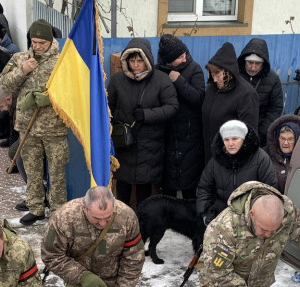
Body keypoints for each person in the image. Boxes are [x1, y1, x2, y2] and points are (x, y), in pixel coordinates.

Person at [0, 19, 69, 225]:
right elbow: (4, 84)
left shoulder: (61, 62)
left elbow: (73, 91)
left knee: (56, 172)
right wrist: (22, 70)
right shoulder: (20, 58)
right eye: (34, 42)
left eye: (42, 42)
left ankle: (57, 211)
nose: (37, 46)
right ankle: (36, 207)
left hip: (54, 127)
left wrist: (52, 99)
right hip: (27, 125)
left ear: (50, 41)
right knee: (32, 170)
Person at [107, 37, 179, 208]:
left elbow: (172, 107)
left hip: (150, 143)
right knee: (122, 185)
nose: (136, 65)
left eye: (140, 60)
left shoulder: (161, 80)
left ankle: (142, 220)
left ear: (147, 60)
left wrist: (147, 115)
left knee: (144, 188)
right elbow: (108, 108)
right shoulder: (117, 80)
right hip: (124, 144)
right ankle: (122, 218)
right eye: (132, 60)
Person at [197, 120, 276, 224]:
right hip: (222, 215)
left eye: (235, 139)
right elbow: (204, 188)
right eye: (226, 139)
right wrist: (205, 213)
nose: (230, 144)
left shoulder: (260, 158)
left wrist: (259, 215)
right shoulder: (216, 161)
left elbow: (270, 190)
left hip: (251, 216)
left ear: (243, 139)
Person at [157, 34, 205, 200]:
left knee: (190, 187)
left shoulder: (194, 69)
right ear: (169, 60)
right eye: (179, 57)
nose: (184, 58)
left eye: (184, 53)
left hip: (190, 136)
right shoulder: (158, 71)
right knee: (168, 188)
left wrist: (179, 80)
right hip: (167, 135)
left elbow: (199, 98)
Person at [202, 41, 259, 162]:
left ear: (228, 72)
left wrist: (234, 162)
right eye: (212, 74)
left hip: (230, 159)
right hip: (209, 156)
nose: (214, 79)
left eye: (218, 74)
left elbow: (249, 134)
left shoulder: (246, 94)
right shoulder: (212, 89)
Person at [238, 38, 284, 146]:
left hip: (259, 133)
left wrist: (261, 133)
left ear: (263, 63)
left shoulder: (273, 79)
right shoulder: (236, 75)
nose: (253, 67)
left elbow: (275, 109)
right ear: (244, 61)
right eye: (250, 62)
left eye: (258, 63)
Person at [265, 113, 300, 193]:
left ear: (297, 139)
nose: (285, 143)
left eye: (290, 139)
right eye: (282, 138)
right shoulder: (265, 156)